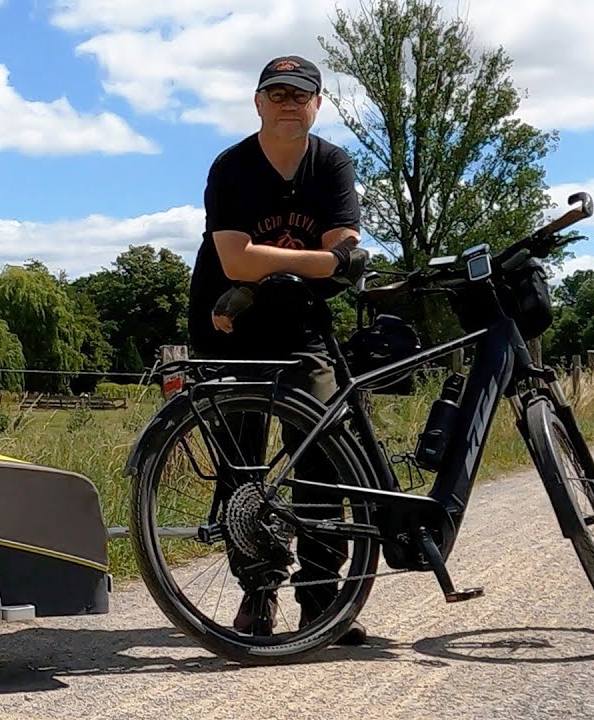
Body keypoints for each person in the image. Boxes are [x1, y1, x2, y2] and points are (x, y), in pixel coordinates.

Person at [186, 54, 370, 646]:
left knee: (322, 452)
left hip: (302, 327)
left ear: (318, 104)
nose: (289, 101)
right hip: (228, 324)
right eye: (278, 93)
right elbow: (237, 260)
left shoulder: (332, 165)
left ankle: (322, 602)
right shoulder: (233, 167)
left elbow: (348, 262)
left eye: (301, 93)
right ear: (258, 102)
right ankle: (256, 594)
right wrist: (318, 261)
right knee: (243, 467)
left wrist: (292, 266)